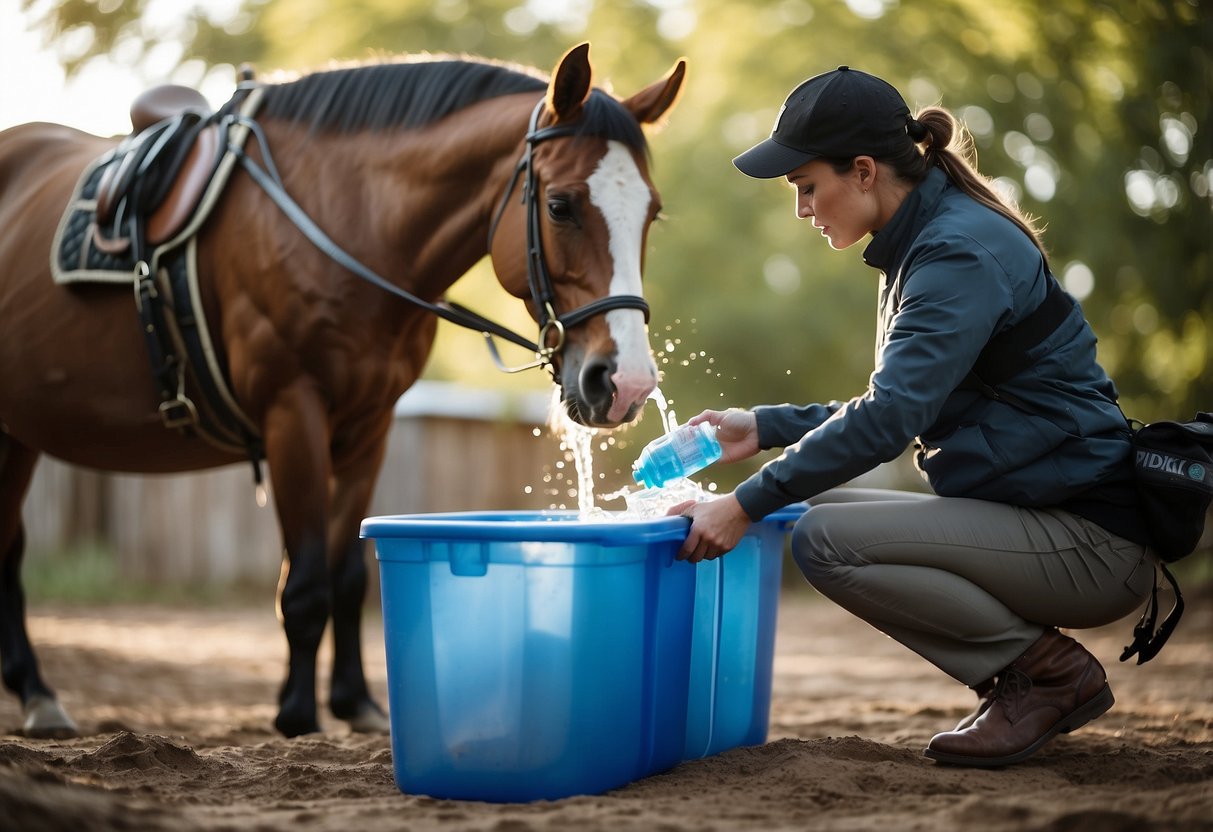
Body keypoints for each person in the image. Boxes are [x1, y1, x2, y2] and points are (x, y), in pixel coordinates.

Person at [670, 66, 1156, 767]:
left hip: (1091, 542)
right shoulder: (921, 243)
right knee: (822, 523)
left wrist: (744, 503)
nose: (801, 209)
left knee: (826, 538)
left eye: (806, 187)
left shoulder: (953, 250)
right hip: (1047, 520)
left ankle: (1046, 677)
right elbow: (906, 400)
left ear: (862, 171)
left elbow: (891, 416)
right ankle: (1030, 675)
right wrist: (764, 427)